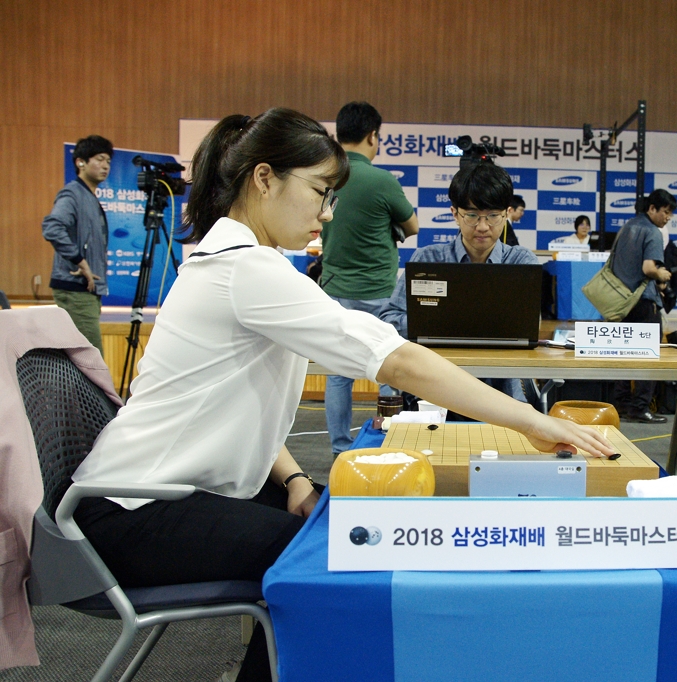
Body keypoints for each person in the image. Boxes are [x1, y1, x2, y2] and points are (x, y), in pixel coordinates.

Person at [70, 109, 614, 682]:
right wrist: (531, 421)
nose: (327, 214)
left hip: (156, 494)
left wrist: (295, 479)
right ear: (264, 179)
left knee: (337, 521)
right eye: (320, 193)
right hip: (130, 509)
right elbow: (397, 359)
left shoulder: (240, 262)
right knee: (337, 554)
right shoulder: (245, 269)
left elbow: (243, 406)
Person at [380, 162, 537, 401]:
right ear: (455, 214)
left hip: (501, 386)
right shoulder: (428, 260)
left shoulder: (521, 262)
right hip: (433, 386)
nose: (482, 227)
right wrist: (437, 324)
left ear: (506, 214)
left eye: (493, 216)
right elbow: (388, 321)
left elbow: (528, 327)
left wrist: (446, 323)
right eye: (472, 215)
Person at [320, 101, 419, 453]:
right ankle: (390, 441)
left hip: (333, 289)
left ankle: (340, 448)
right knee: (390, 369)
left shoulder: (326, 177)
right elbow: (413, 226)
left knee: (337, 375)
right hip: (379, 290)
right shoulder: (381, 180)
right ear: (373, 136)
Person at [41, 135, 113, 356]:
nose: (105, 165)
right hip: (75, 288)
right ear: (80, 162)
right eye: (99, 159)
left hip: (87, 291)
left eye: (108, 161)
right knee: (90, 359)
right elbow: (52, 227)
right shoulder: (73, 193)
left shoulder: (88, 196)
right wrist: (80, 261)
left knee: (81, 359)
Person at [609, 189, 674, 424]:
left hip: (621, 302)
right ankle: (640, 407)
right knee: (648, 355)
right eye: (665, 212)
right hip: (644, 302)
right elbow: (648, 268)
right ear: (652, 209)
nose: (668, 218)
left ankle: (621, 403)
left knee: (622, 354)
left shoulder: (627, 227)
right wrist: (662, 274)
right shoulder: (652, 232)